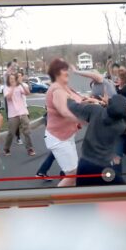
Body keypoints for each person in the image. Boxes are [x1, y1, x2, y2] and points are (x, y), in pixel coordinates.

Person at [66, 94, 126, 186]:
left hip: (85, 165)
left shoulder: (95, 110)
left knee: (82, 195)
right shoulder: (120, 126)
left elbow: (72, 106)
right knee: (121, 191)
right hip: (104, 168)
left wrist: (68, 98)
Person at [44, 58, 84, 187]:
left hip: (67, 135)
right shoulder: (57, 89)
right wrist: (83, 120)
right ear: (56, 73)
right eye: (64, 70)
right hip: (58, 138)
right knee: (72, 175)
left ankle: (68, 201)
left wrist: (94, 102)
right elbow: (63, 111)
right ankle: (53, 202)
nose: (67, 72)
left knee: (74, 174)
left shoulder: (65, 87)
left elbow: (80, 99)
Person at [4, 73, 35, 156]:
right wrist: (13, 87)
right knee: (11, 132)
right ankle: (6, 148)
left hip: (23, 112)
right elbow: (8, 97)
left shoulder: (19, 86)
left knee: (27, 131)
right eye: (11, 78)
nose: (12, 80)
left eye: (14, 78)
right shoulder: (6, 88)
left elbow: (28, 93)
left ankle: (30, 149)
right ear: (8, 80)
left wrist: (21, 83)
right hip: (13, 114)